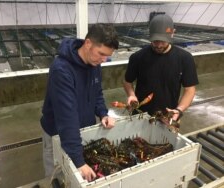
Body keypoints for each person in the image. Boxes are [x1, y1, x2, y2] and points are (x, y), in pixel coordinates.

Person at [40, 23, 119, 182]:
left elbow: (97, 92)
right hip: (57, 133)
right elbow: (66, 117)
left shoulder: (94, 63)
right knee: (57, 177)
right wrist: (78, 160)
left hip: (80, 132)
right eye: (101, 53)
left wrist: (103, 113)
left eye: (107, 56)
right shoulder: (62, 70)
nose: (104, 60)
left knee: (76, 177)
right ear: (88, 43)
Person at [123, 14, 199, 122]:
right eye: (155, 41)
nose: (158, 45)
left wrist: (179, 109)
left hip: (169, 116)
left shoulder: (185, 59)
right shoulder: (137, 57)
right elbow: (127, 82)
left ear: (172, 33)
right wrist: (131, 95)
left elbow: (190, 90)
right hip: (140, 115)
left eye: (163, 41)